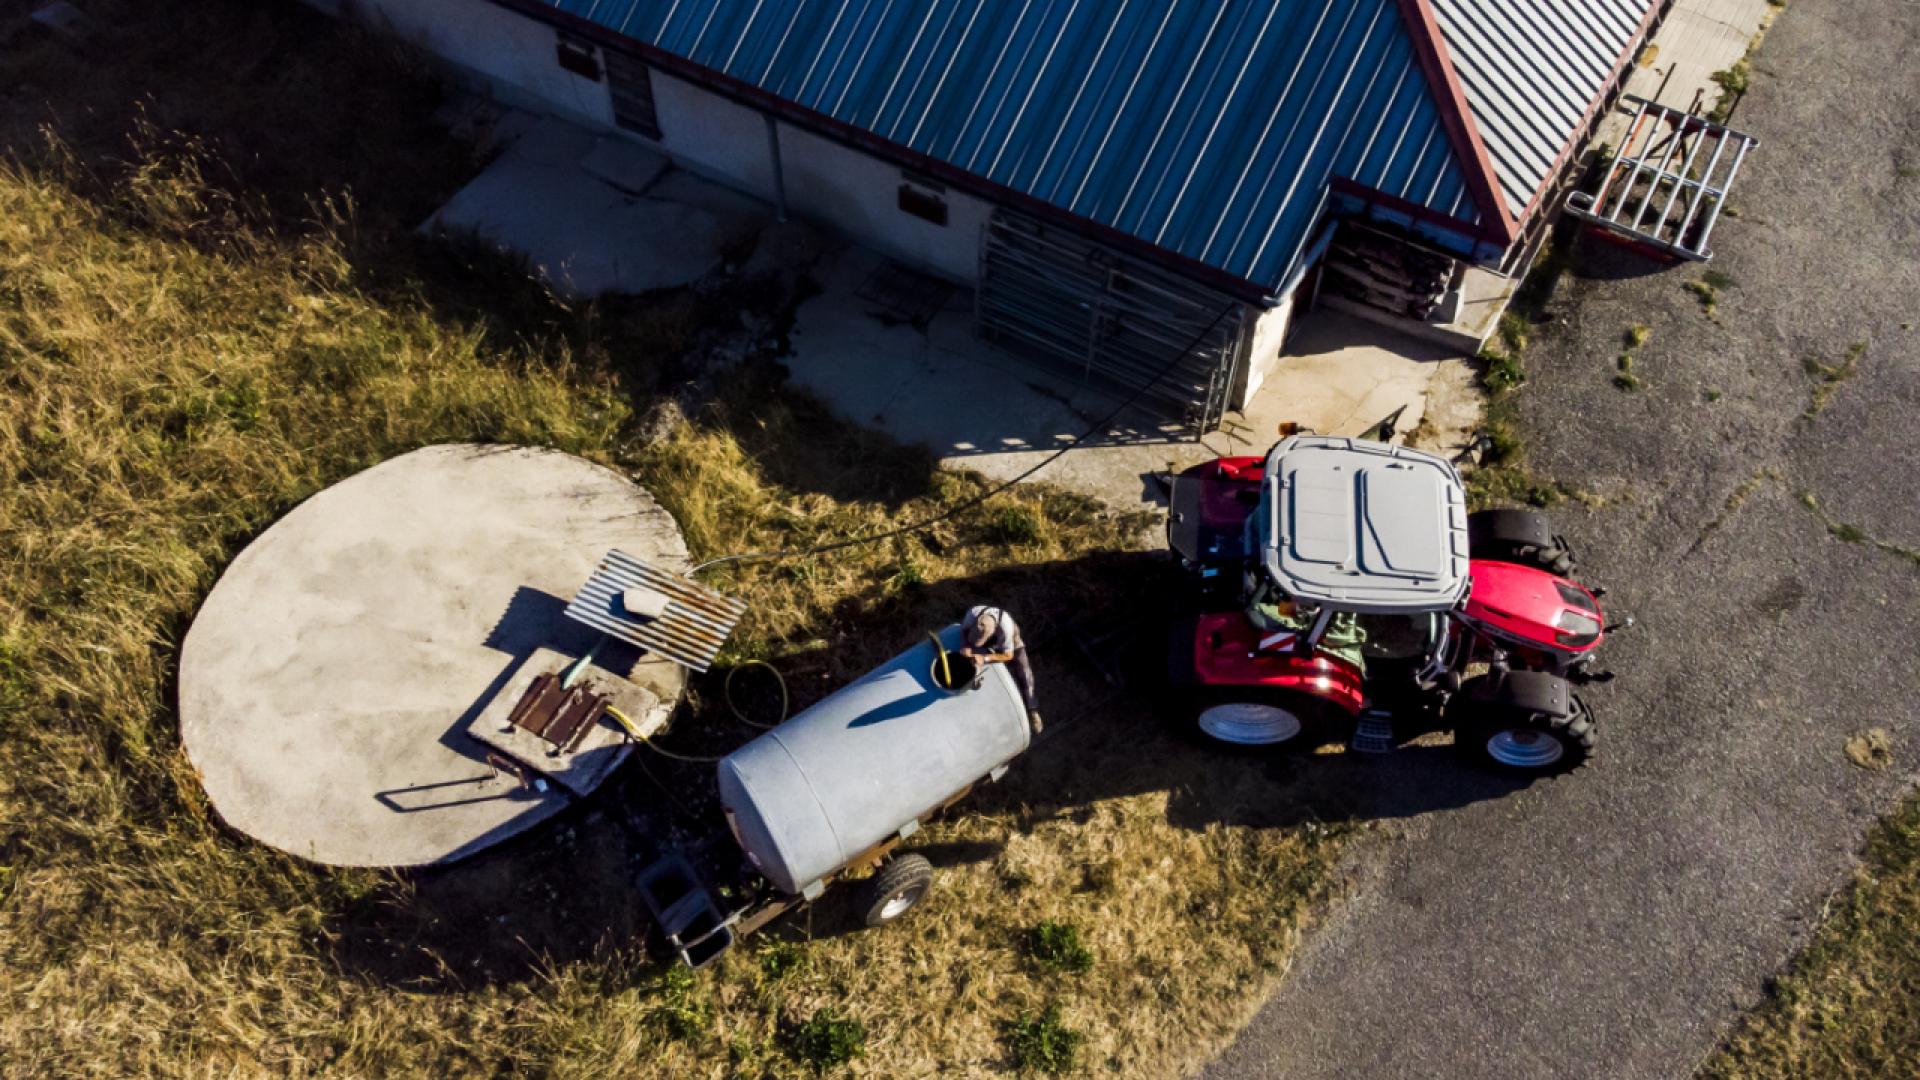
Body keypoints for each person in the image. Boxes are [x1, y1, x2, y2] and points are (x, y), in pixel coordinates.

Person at [960, 605, 1042, 735]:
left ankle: (1032, 709)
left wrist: (984, 658)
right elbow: (963, 630)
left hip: (1010, 646)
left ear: (991, 633)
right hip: (985, 643)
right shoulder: (973, 613)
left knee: (1024, 672)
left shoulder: (1006, 629)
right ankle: (975, 681)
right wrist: (966, 645)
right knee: (971, 662)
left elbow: (1008, 655)